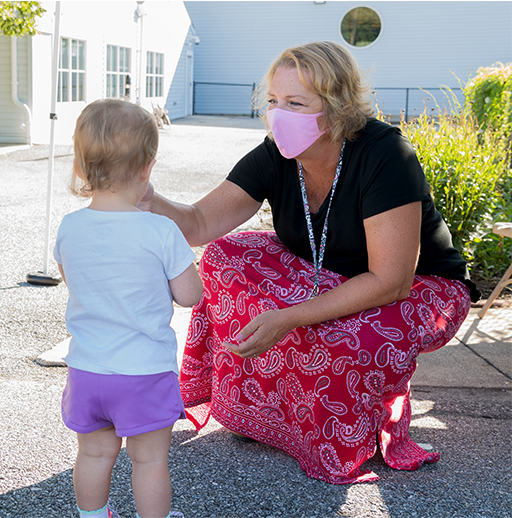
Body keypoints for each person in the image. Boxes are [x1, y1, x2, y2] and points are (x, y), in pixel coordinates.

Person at [139, 41, 480, 484]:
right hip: (326, 271)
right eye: (274, 102)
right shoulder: (276, 152)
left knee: (343, 331)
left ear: (338, 107)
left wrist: (287, 317)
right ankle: (265, 413)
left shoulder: (385, 153)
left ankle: (342, 428)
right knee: (225, 255)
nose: (278, 115)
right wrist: (147, 198)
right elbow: (201, 223)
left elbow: (392, 280)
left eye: (296, 104)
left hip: (422, 288)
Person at [54, 99, 202, 517]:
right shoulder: (160, 230)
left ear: (81, 167)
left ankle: (93, 516)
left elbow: (78, 282)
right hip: (142, 373)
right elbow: (190, 295)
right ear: (147, 167)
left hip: (87, 370)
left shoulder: (69, 228)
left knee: (95, 455)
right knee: (149, 460)